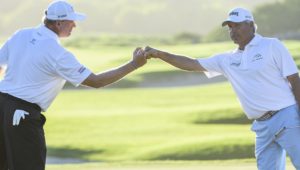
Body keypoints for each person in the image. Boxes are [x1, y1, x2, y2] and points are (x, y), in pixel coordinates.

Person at [144, 7, 300, 170]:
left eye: (238, 25)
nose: (233, 30)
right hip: (261, 126)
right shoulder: (226, 59)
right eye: (230, 27)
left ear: (252, 25)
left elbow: (295, 80)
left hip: (286, 117)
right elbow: (191, 64)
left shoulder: (272, 45)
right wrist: (159, 54)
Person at [0, 1, 147, 170]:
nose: (75, 25)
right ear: (59, 23)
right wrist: (134, 65)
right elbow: (96, 81)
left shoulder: (22, 34)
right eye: (71, 21)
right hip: (22, 114)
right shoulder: (57, 54)